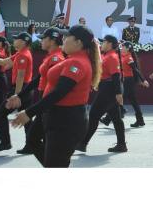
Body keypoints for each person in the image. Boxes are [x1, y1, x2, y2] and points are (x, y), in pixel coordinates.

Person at [11, 25, 100, 168]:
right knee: (40, 148)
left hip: (66, 121)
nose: (63, 39)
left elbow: (59, 93)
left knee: (55, 164)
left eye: (67, 37)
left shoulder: (76, 62)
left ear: (78, 42)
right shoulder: (71, 59)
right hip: (57, 116)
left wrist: (29, 112)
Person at [6, 28, 65, 157]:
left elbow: (56, 87)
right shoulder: (50, 56)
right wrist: (19, 94)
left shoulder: (56, 59)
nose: (41, 41)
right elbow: (37, 79)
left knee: (44, 137)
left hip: (48, 101)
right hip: (42, 97)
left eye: (43, 38)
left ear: (53, 40)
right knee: (37, 136)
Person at [77, 34, 127, 154]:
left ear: (109, 44)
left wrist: (118, 94)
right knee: (116, 118)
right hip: (107, 88)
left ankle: (83, 143)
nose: (102, 44)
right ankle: (121, 145)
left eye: (103, 42)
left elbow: (116, 76)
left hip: (109, 90)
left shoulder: (112, 57)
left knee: (93, 115)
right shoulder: (107, 55)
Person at [119, 41, 148, 127]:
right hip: (126, 80)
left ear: (128, 48)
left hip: (128, 81)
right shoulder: (123, 56)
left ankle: (109, 118)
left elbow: (135, 70)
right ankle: (140, 120)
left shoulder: (129, 58)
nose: (122, 48)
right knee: (133, 101)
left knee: (120, 98)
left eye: (123, 46)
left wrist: (143, 80)